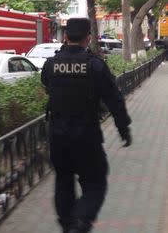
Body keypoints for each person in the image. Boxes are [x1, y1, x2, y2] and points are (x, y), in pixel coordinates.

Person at [41, 18, 132, 233]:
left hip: (58, 136)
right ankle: (81, 221)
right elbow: (114, 100)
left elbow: (46, 83)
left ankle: (67, 224)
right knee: (95, 183)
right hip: (86, 137)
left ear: (65, 37)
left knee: (63, 180)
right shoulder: (95, 66)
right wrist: (123, 128)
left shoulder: (51, 65)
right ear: (88, 39)